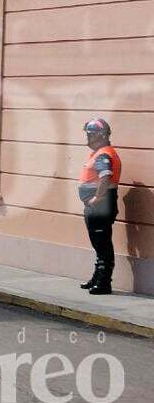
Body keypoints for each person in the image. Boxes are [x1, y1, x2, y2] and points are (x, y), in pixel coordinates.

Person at [79, 119, 122, 295]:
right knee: (99, 243)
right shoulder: (101, 152)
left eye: (89, 134)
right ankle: (97, 278)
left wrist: (97, 197)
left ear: (100, 135)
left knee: (102, 243)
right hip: (99, 206)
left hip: (100, 206)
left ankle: (104, 283)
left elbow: (105, 177)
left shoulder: (103, 155)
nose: (87, 138)